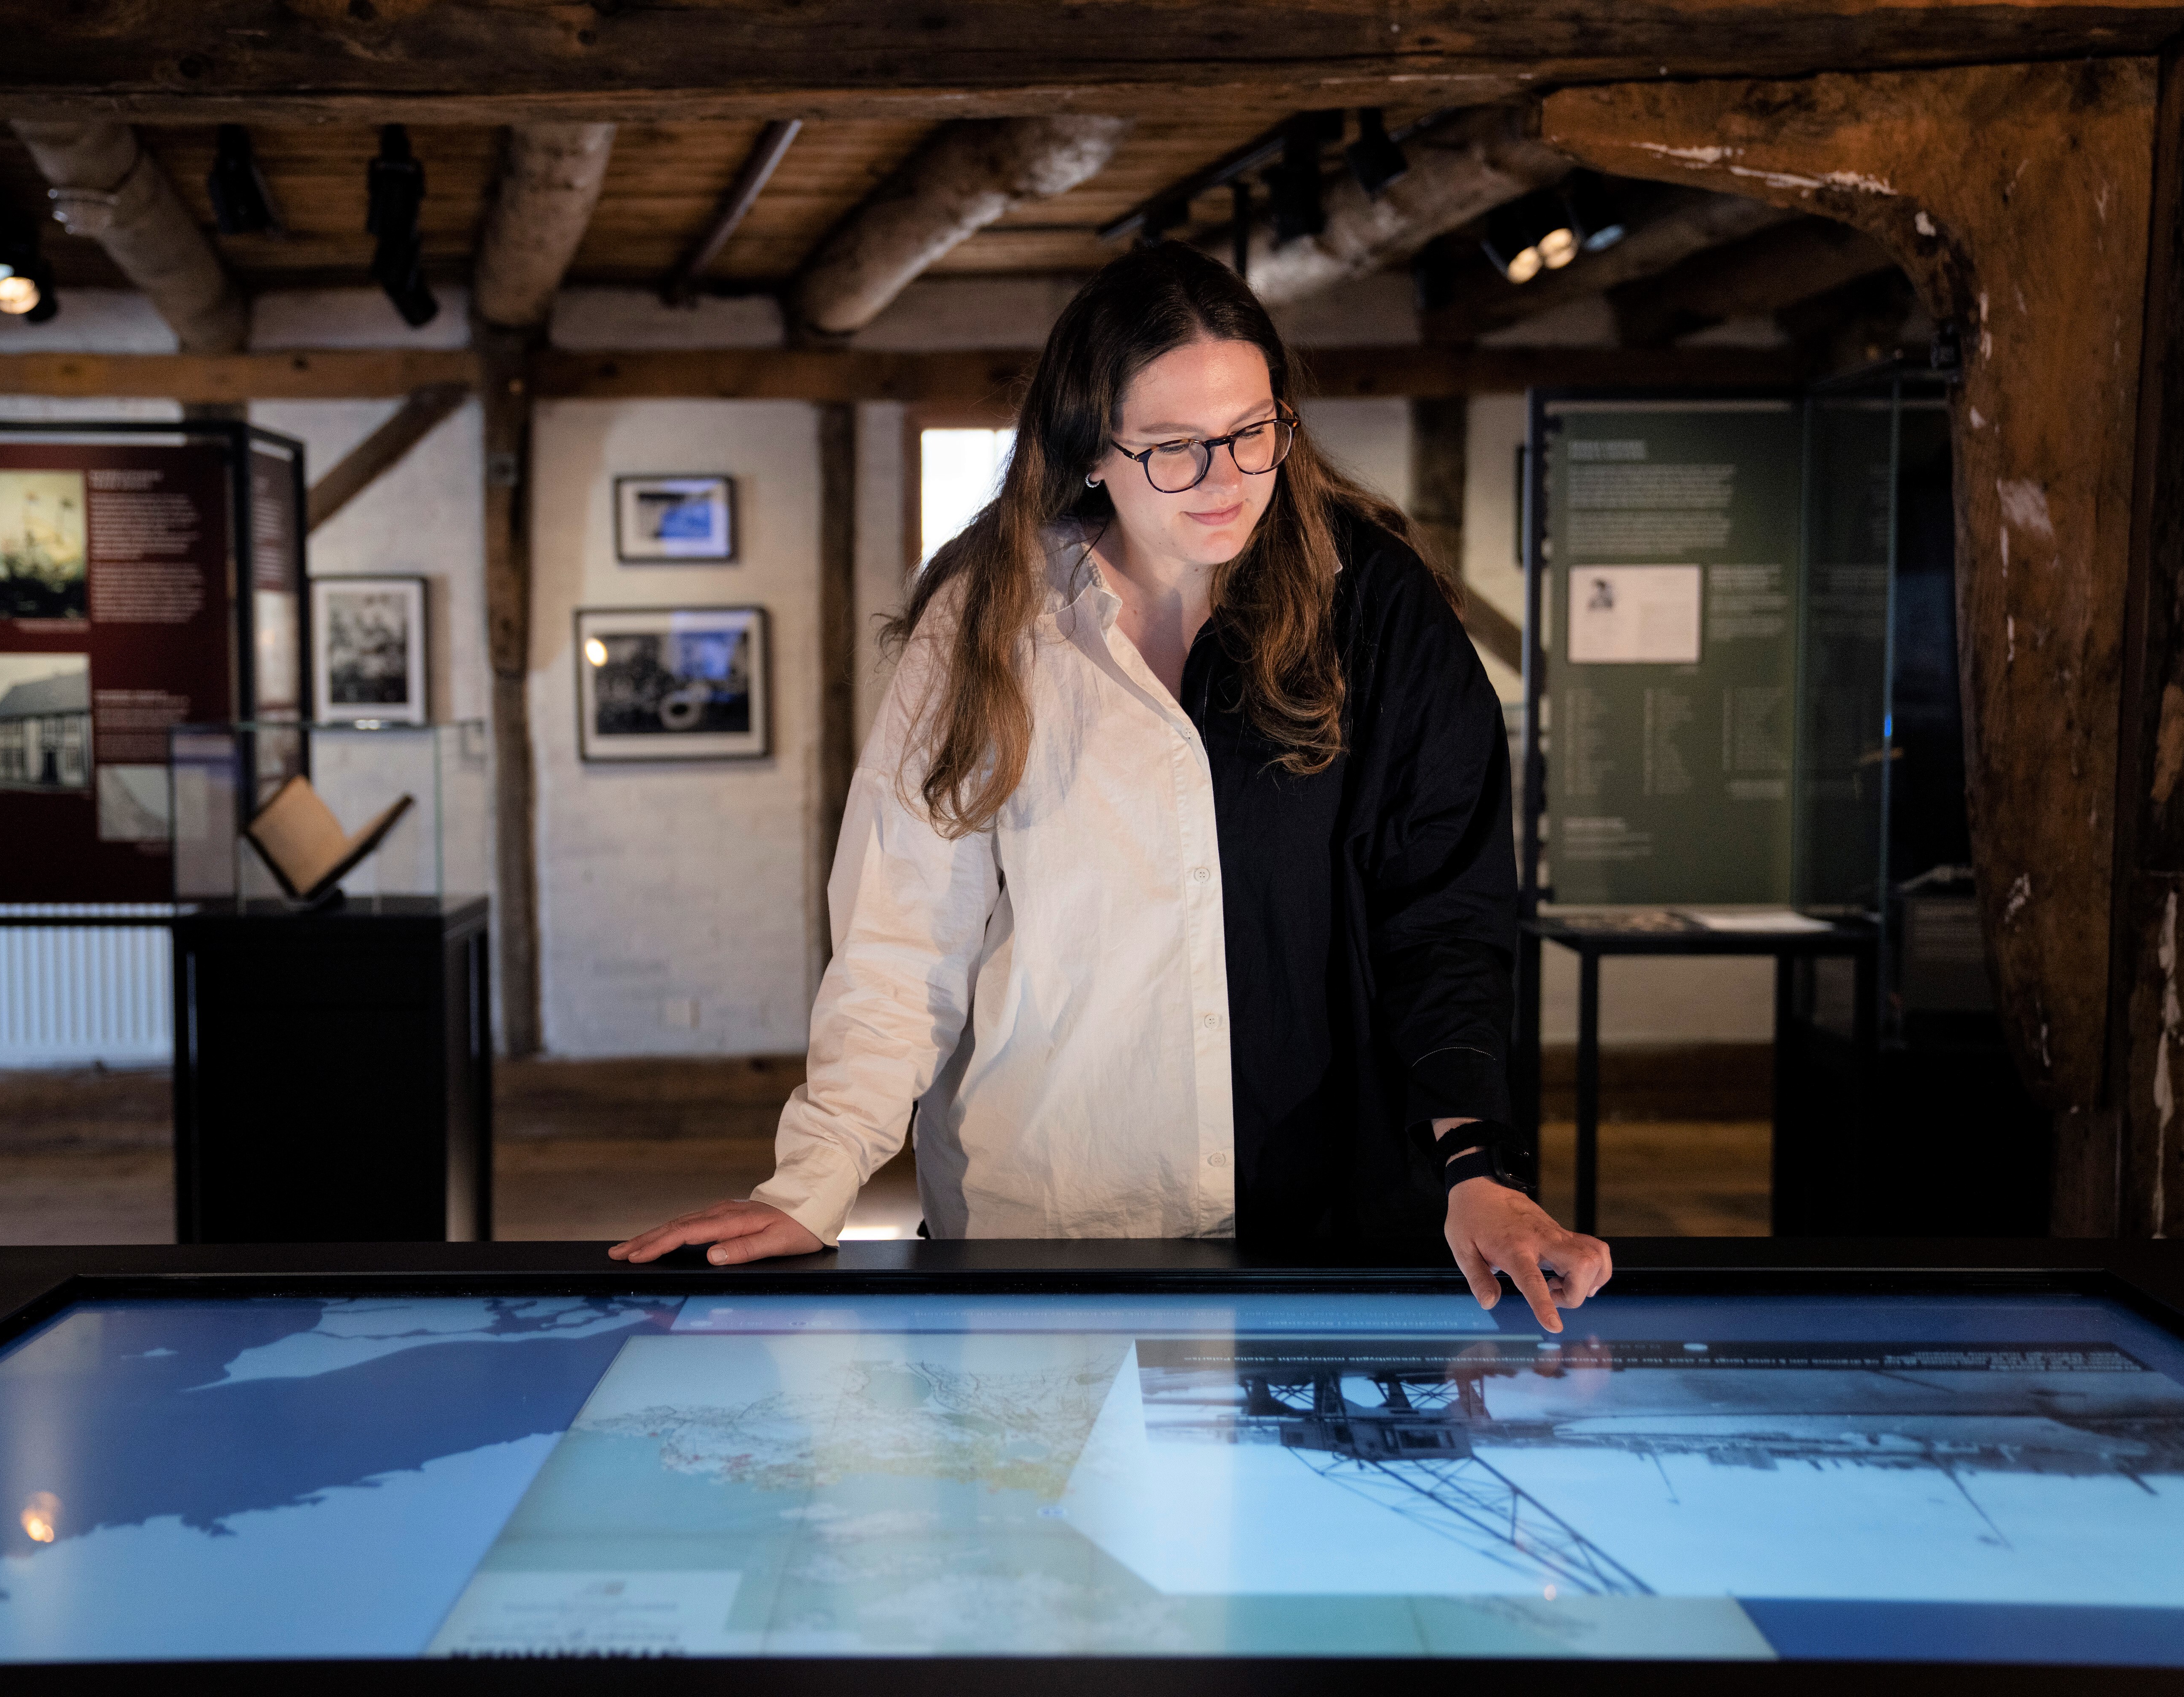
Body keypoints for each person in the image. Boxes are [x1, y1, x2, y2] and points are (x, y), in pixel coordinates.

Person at [612, 243, 1611, 1330]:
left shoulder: (1374, 607)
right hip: (1044, 1222)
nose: (1228, 479)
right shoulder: (987, 620)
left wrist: (1478, 1165)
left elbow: (1446, 916)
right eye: (1176, 447)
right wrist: (812, 1183)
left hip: (1323, 1233)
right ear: (1092, 447)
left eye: (1252, 430)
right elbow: (904, 939)